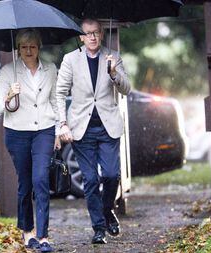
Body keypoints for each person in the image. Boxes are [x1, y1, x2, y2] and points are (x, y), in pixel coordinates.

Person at [56, 19, 130, 244]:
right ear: (81, 36)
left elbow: (127, 89)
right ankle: (98, 227)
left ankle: (107, 211)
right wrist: (62, 123)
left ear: (101, 34)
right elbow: (59, 93)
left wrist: (114, 73)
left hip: (108, 127)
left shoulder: (113, 56)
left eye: (96, 33)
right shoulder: (70, 59)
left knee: (110, 175)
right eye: (87, 34)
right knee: (89, 180)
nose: (92, 37)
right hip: (81, 129)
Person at [0, 29, 60, 252]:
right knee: (26, 183)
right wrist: (8, 96)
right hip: (17, 132)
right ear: (18, 49)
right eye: (23, 47)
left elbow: (55, 101)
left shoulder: (50, 69)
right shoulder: (8, 71)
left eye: (32, 46)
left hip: (44, 130)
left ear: (39, 47)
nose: (28, 51)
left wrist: (58, 130)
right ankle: (27, 230)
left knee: (41, 179)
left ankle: (43, 236)